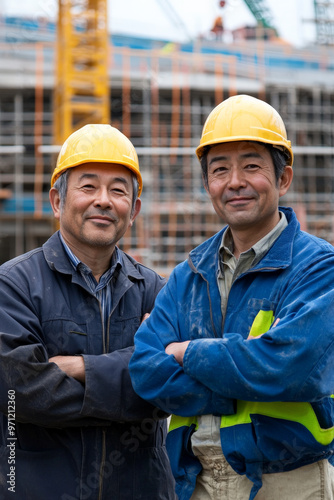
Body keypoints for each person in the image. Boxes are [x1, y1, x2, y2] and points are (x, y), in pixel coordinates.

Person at [129, 94, 334, 500]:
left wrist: (186, 352)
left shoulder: (318, 266)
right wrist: (243, 376)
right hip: (196, 480)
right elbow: (146, 371)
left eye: (252, 165)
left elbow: (291, 367)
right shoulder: (190, 273)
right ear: (208, 184)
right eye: (220, 169)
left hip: (288, 480)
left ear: (283, 178)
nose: (235, 181)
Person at [0, 123, 175, 500]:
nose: (103, 200)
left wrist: (80, 368)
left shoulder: (156, 291)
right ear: (57, 200)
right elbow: (19, 394)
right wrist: (132, 376)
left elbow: (171, 386)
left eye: (118, 190)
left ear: (134, 210)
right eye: (88, 186)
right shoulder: (12, 285)